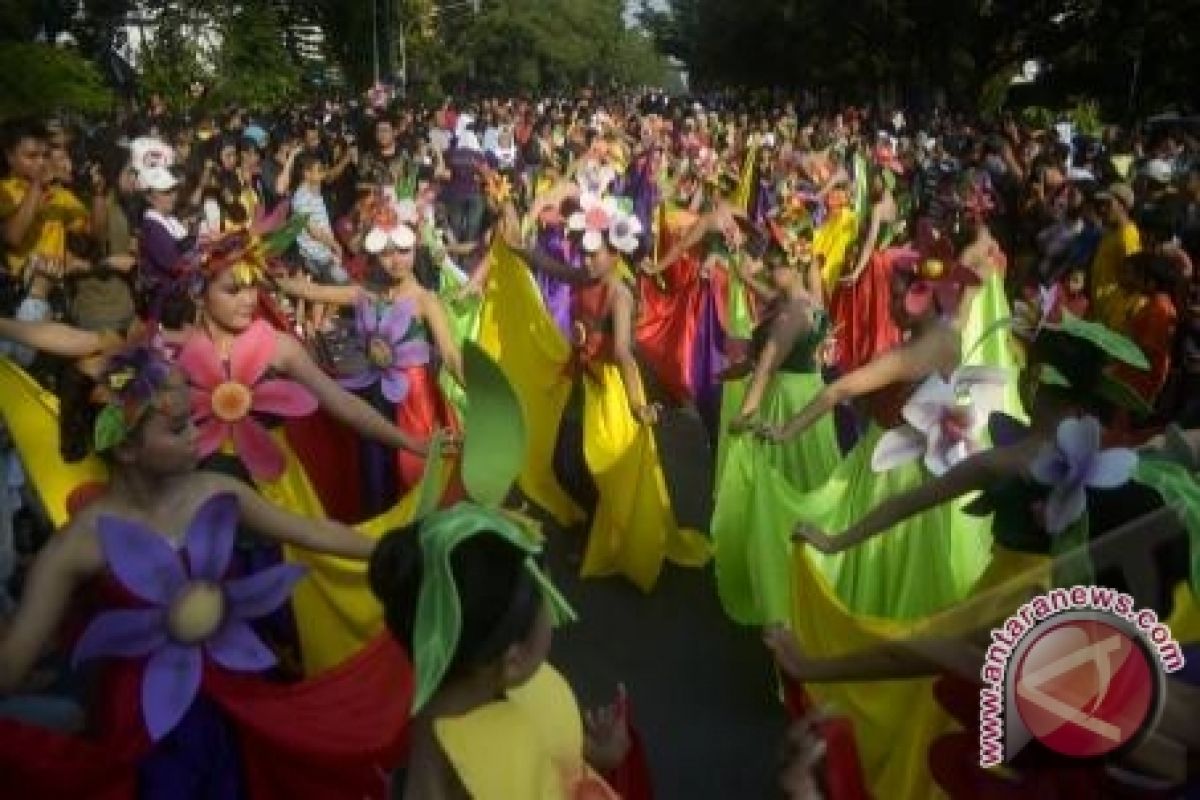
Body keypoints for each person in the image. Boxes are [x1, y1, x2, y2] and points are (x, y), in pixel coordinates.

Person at [0, 342, 413, 798]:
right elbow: (13, 665)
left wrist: (404, 550)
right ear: (126, 450)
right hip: (147, 727)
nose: (197, 435)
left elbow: (316, 533)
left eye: (195, 421)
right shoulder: (78, 544)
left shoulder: (214, 492)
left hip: (241, 701)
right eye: (179, 429)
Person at [367, 504, 630, 798]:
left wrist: (594, 753)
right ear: (513, 659)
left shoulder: (455, 695)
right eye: (548, 603)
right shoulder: (489, 780)